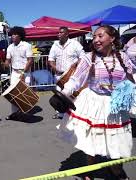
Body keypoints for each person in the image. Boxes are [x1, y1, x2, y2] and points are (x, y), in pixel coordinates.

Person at [58, 25, 133, 180]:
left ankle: (116, 169)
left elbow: (131, 77)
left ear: (112, 38)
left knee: (117, 139)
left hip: (116, 105)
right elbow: (76, 80)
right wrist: (63, 93)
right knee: (91, 139)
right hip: (94, 103)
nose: (96, 40)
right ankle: (89, 170)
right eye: (94, 37)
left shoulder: (123, 57)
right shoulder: (88, 58)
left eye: (100, 36)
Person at [48, 26, 84, 119]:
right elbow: (50, 59)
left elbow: (82, 57)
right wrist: (55, 67)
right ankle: (60, 114)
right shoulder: (55, 45)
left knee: (72, 96)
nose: (58, 34)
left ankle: (73, 114)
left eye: (61, 32)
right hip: (59, 76)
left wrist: (76, 65)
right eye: (58, 32)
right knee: (59, 97)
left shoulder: (75, 44)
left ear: (67, 34)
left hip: (72, 76)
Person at [4, 26, 33, 120]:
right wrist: (5, 63)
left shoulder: (26, 45)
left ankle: (24, 113)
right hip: (14, 73)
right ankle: (14, 113)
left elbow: (30, 60)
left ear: (20, 36)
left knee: (24, 94)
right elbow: (8, 60)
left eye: (15, 34)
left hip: (25, 72)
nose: (13, 36)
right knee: (13, 94)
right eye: (12, 34)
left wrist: (23, 73)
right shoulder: (9, 47)